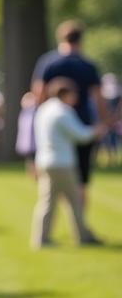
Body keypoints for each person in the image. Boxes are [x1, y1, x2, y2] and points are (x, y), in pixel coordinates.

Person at [32, 20, 107, 204]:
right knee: (81, 180)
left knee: (51, 182)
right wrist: (103, 122)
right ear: (80, 40)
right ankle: (80, 226)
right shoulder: (87, 65)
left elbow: (39, 93)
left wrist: (41, 117)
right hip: (81, 122)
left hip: (55, 125)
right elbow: (98, 97)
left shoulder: (48, 62)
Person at [31, 77, 104, 247]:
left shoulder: (43, 109)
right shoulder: (63, 111)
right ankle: (83, 236)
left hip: (44, 161)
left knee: (47, 202)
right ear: (65, 94)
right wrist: (97, 131)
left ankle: (41, 238)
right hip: (62, 163)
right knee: (75, 202)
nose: (76, 98)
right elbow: (81, 135)